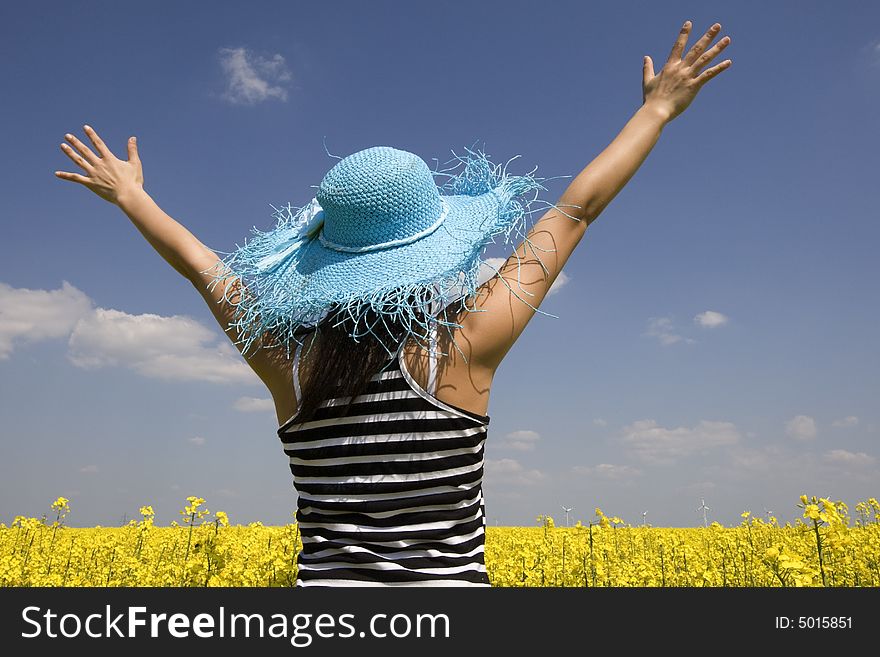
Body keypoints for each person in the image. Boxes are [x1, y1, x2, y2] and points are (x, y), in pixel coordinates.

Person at [54, 20, 731, 586]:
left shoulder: (285, 360)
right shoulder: (465, 342)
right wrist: (657, 109)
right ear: (432, 246)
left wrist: (131, 196)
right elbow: (577, 209)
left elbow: (202, 268)